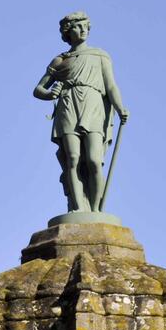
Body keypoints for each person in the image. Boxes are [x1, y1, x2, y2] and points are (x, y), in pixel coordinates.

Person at [33, 11, 128, 213]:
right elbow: (38, 89)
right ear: (68, 31)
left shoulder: (100, 55)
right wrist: (50, 94)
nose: (83, 30)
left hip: (93, 106)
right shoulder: (60, 60)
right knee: (73, 158)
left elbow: (111, 86)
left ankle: (95, 211)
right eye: (78, 26)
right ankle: (77, 207)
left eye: (86, 26)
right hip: (68, 106)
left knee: (94, 160)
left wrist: (120, 108)